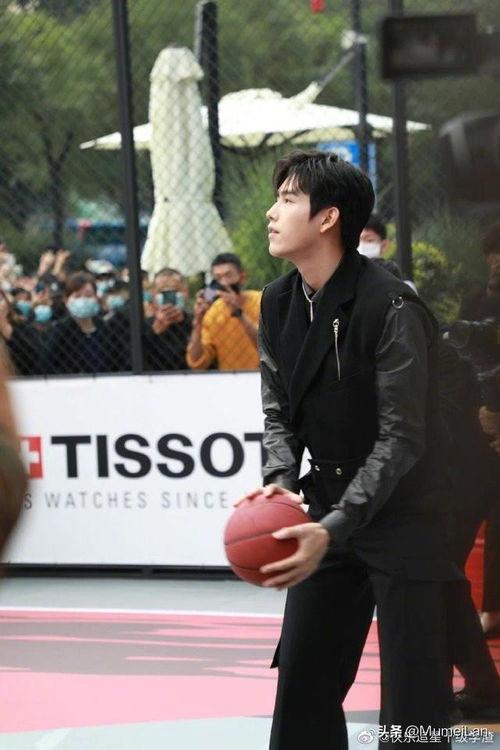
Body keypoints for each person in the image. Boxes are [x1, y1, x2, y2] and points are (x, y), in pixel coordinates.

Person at [240, 150, 462, 748]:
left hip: (408, 509)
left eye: (288, 199)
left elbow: (401, 437)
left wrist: (333, 526)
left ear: (328, 217)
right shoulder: (277, 301)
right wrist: (280, 486)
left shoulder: (392, 306)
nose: (271, 212)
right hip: (327, 503)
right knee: (302, 681)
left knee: (414, 707)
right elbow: (278, 412)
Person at [186, 253, 261, 371]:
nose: (224, 283)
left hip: (265, 375)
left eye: (228, 275)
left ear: (242, 277)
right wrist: (198, 321)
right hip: (228, 378)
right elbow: (197, 362)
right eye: (218, 278)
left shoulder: (261, 301)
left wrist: (239, 313)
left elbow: (269, 348)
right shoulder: (212, 312)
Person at [46, 272, 110, 375]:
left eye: (88, 295)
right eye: (77, 296)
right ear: (66, 300)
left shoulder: (106, 327)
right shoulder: (58, 331)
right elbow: (49, 364)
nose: (83, 300)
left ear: (96, 297)